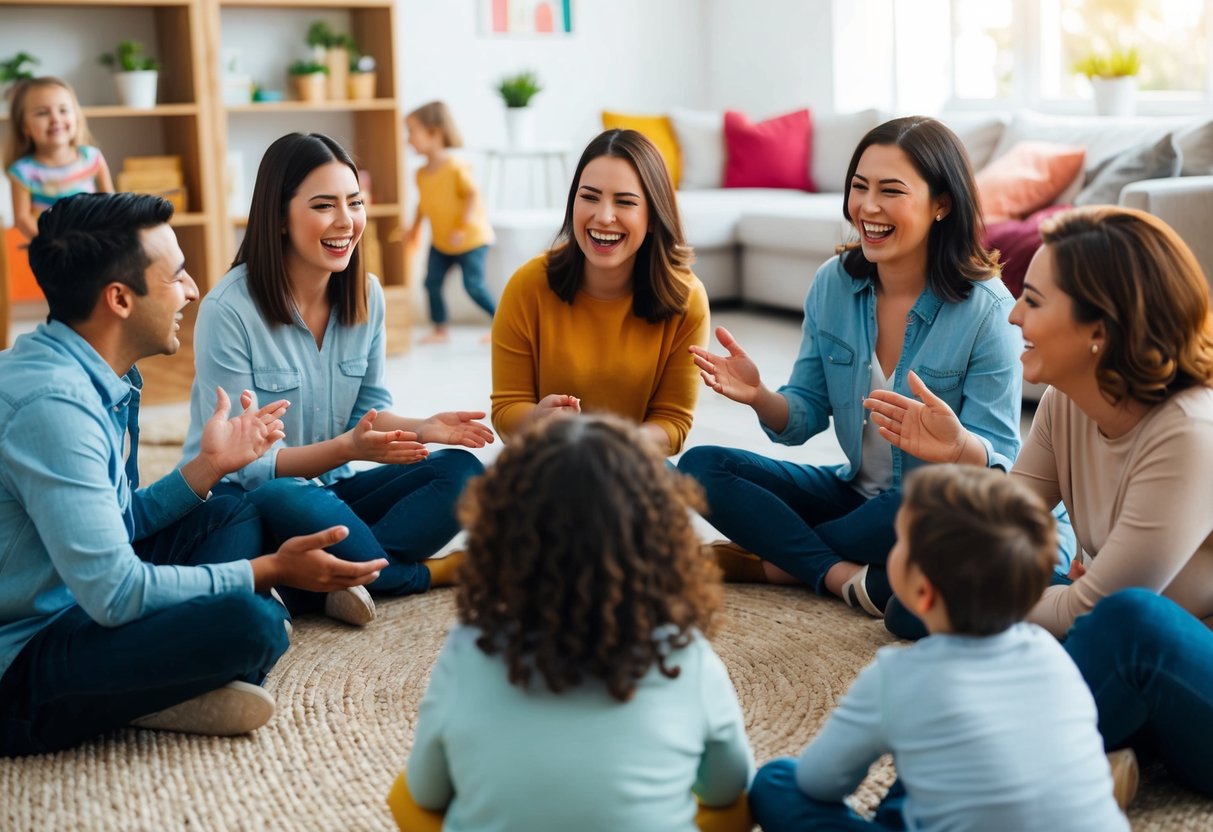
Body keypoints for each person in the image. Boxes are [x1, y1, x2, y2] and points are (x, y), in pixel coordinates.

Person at [0, 193, 386, 756]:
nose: (192, 290)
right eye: (176, 274)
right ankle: (151, 692)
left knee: (235, 505)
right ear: (119, 299)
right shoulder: (53, 406)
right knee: (250, 622)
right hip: (23, 656)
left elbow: (120, 523)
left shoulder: (88, 369)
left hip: (73, 592)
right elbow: (116, 591)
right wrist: (267, 569)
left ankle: (158, 683)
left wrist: (209, 467)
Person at [865, 205, 1213, 796]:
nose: (1015, 315)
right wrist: (962, 456)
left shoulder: (1189, 431)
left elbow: (1093, 611)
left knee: (1123, 620)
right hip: (1111, 637)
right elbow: (1000, 535)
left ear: (1099, 329)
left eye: (1033, 300)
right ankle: (1101, 756)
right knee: (920, 598)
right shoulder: (1065, 400)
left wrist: (1069, 598)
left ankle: (921, 806)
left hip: (1179, 662)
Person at [677, 116, 1023, 614]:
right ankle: (841, 575)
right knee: (701, 466)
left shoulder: (987, 311)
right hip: (853, 494)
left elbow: (998, 472)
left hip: (932, 511)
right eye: (859, 187)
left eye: (891, 190)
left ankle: (777, 559)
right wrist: (760, 398)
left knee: (920, 501)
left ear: (941, 204)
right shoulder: (833, 283)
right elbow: (804, 416)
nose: (868, 207)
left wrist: (958, 446)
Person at [387, 414, 754, 832]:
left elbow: (427, 790)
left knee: (405, 796)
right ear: (660, 537)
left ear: (505, 534)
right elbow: (727, 787)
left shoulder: (472, 646)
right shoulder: (687, 653)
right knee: (738, 806)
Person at [183, 133, 491, 626]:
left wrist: (424, 427)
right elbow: (245, 466)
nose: (346, 221)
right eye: (324, 205)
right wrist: (347, 448)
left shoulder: (366, 295)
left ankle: (314, 579)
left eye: (354, 202)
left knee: (462, 474)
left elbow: (365, 413)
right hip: (247, 499)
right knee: (285, 495)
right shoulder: (227, 310)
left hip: (330, 496)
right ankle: (422, 575)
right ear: (279, 218)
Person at [749, 465, 1129, 831]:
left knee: (776, 782)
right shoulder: (1055, 657)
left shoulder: (896, 678)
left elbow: (820, 783)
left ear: (923, 593)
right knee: (945, 763)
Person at [490, 128, 709, 457]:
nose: (603, 217)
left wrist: (605, 445)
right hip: (547, 465)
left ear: (652, 216)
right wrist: (538, 418)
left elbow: (673, 424)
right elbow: (506, 410)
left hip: (629, 465)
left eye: (625, 202)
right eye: (589, 197)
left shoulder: (686, 298)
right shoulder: (528, 285)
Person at [403, 101, 496, 344]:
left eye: (412, 132)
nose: (408, 139)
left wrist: (461, 228)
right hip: (442, 241)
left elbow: (472, 195)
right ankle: (440, 329)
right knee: (431, 282)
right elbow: (422, 205)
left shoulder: (455, 166)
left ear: (434, 133)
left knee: (473, 285)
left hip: (471, 239)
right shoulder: (420, 174)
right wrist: (413, 230)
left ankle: (502, 323)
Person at [5, 77, 114, 240]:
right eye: (42, 113)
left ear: (76, 117)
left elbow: (110, 200)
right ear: (25, 127)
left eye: (63, 110)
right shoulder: (23, 172)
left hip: (94, 242)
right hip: (53, 252)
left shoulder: (91, 157)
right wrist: (52, 243)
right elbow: (22, 219)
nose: (55, 119)